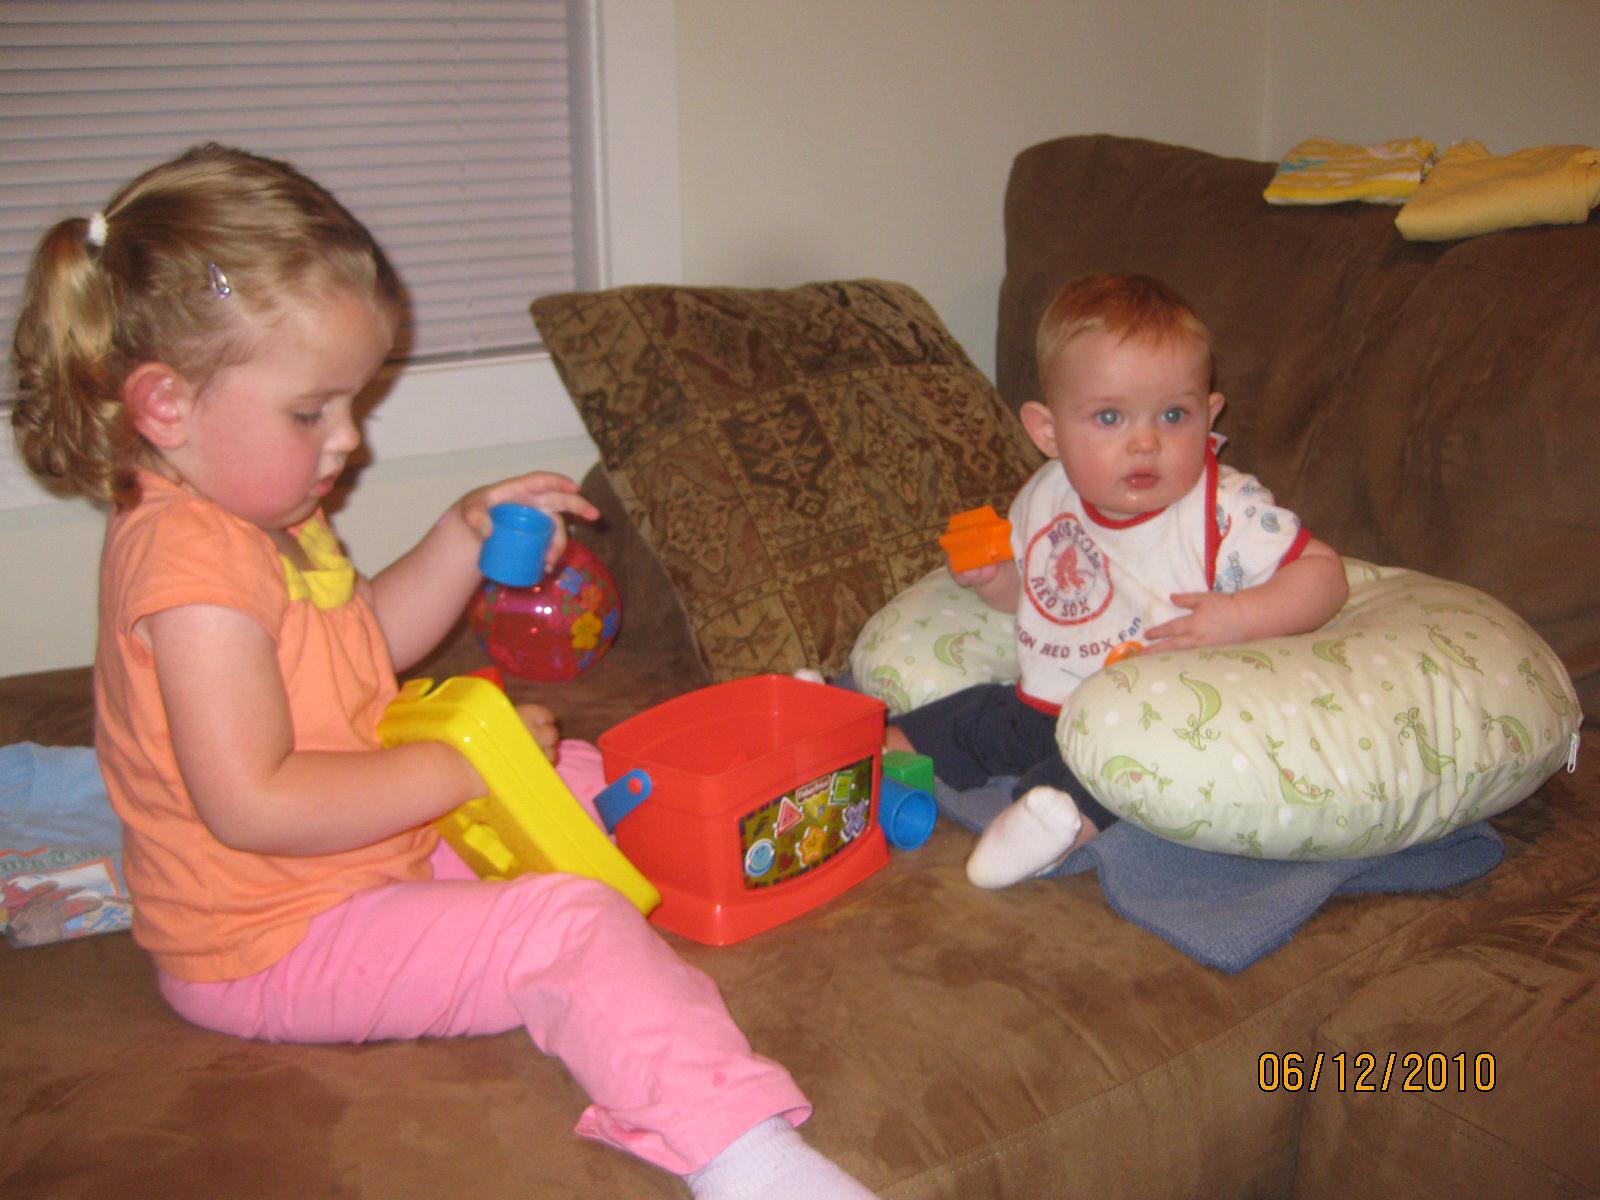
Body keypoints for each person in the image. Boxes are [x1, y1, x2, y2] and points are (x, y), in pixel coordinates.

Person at [9, 143, 874, 1200]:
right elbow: (252, 801)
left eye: (354, 403)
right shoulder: (188, 563)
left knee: (587, 777)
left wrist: (459, 538)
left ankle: (697, 878)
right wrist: (469, 773)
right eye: (311, 411)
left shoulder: (266, 519)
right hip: (272, 941)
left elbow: (360, 638)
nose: (348, 443)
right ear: (164, 407)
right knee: (565, 923)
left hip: (366, 858)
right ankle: (739, 1147)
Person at [885, 273, 1348, 889]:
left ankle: (1056, 823)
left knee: (1105, 774)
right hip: (1045, 701)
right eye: (1109, 417)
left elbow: (1326, 576)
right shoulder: (1046, 496)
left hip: (1150, 721)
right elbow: (1041, 601)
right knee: (962, 718)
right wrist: (995, 581)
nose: (1146, 442)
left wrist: (1240, 617)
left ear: (1210, 413)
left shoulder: (1222, 507)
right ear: (1048, 433)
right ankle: (875, 756)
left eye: (1175, 415)